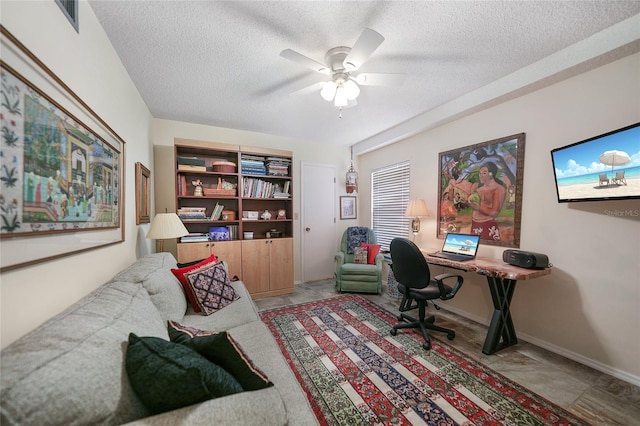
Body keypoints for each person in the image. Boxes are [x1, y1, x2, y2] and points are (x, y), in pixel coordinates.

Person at [469, 162, 506, 241]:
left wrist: (478, 208)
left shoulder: (499, 189)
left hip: (487, 224)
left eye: (484, 173)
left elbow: (494, 213)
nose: (481, 175)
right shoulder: (478, 189)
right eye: (480, 173)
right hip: (475, 223)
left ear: (491, 174)